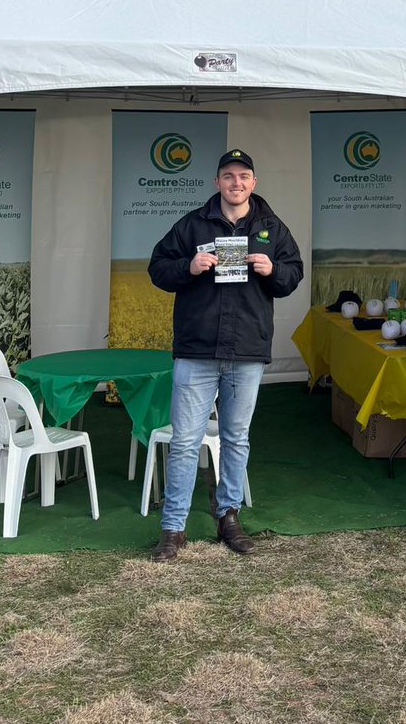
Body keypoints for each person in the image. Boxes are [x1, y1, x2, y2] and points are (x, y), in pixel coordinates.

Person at [147, 149, 303, 562]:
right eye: (229, 176)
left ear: (254, 183)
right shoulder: (191, 224)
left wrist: (273, 271)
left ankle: (228, 518)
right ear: (216, 182)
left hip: (247, 349)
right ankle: (173, 527)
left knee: (236, 439)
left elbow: (293, 274)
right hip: (196, 350)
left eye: (244, 176)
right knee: (185, 442)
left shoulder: (271, 228)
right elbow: (157, 268)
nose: (236, 183)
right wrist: (188, 266)